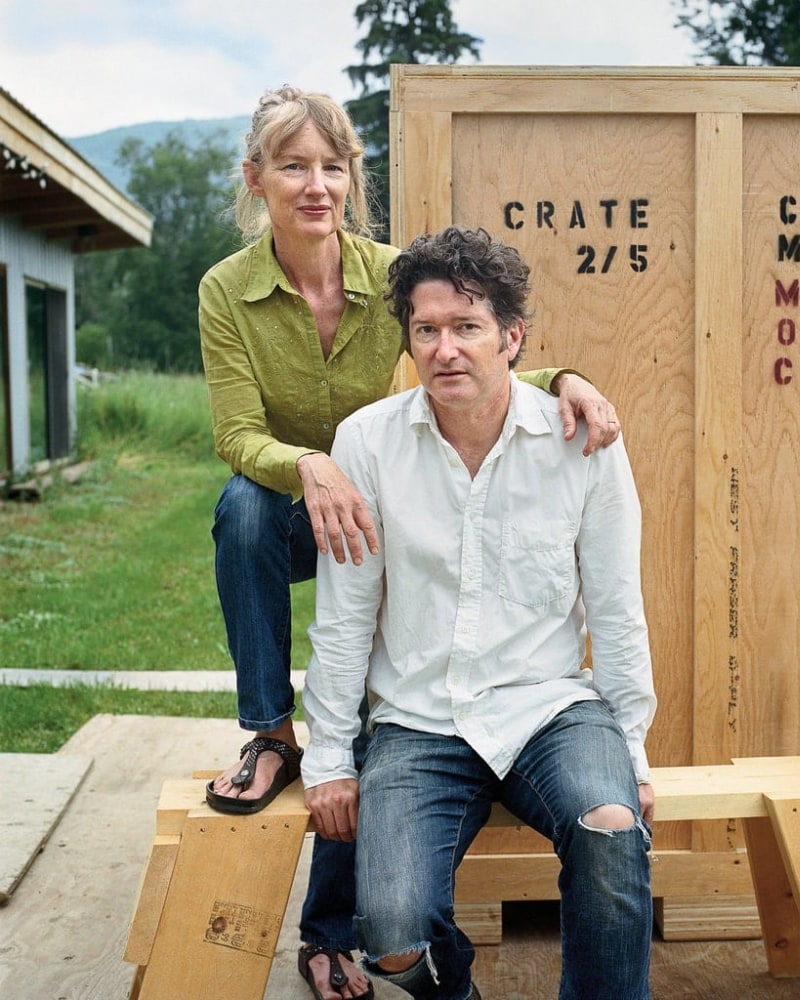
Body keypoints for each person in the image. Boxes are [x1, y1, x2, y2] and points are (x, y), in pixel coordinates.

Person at [196, 87, 623, 1000]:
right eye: (293, 166)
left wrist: (571, 377)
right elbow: (235, 434)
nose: (315, 184)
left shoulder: (391, 272)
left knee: (384, 690)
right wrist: (310, 463)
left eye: (331, 165)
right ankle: (272, 733)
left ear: (352, 178)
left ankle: (330, 928)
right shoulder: (226, 290)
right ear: (257, 180)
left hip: (392, 502)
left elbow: (472, 343)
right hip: (298, 493)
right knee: (238, 510)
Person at [302, 225, 657, 1000]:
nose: (445, 349)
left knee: (611, 828)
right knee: (391, 934)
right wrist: (329, 758)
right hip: (419, 720)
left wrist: (630, 748)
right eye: (426, 331)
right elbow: (344, 617)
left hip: (550, 710)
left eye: (467, 328)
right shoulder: (366, 443)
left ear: (512, 338)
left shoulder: (580, 441)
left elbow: (617, 606)